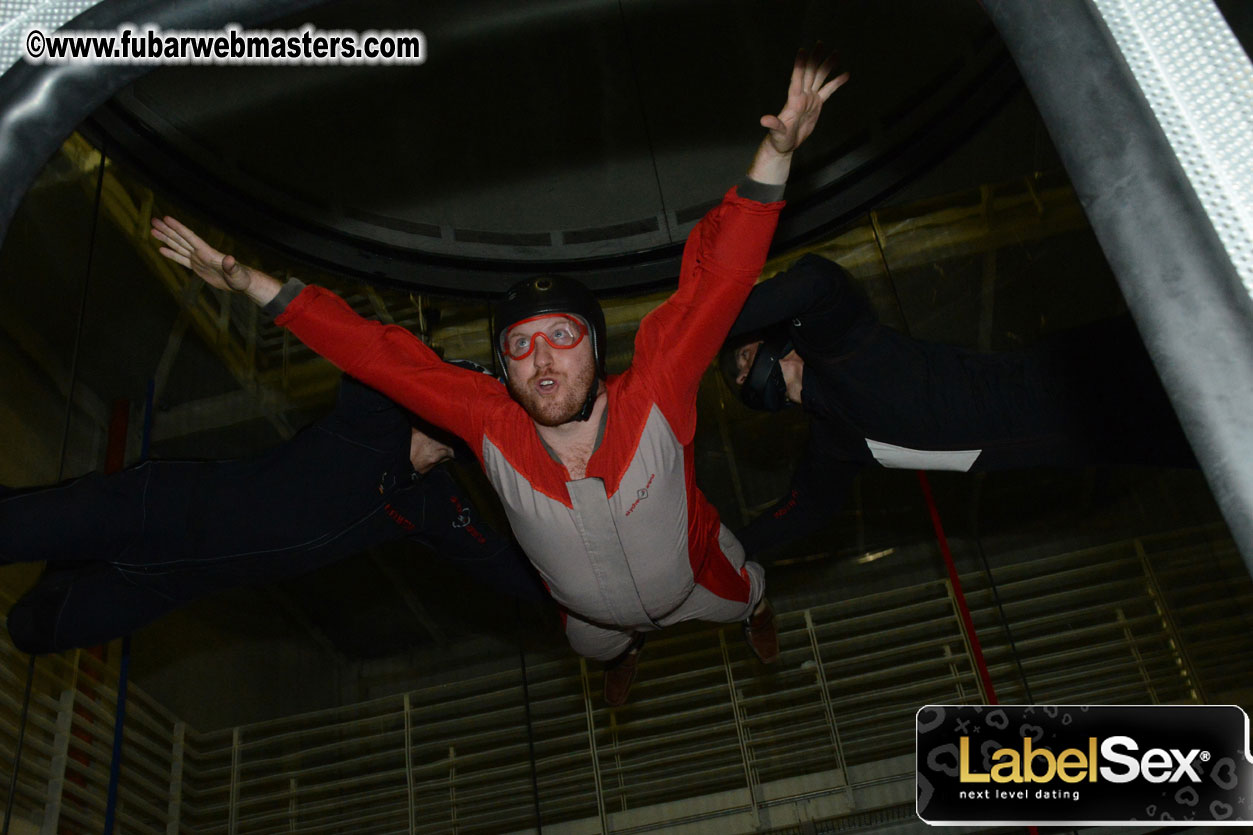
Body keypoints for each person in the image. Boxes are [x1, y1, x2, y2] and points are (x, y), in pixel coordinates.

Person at [150, 47, 850, 705]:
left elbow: (721, 280)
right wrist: (252, 284)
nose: (542, 358)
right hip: (588, 617)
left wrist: (773, 159)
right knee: (593, 647)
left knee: (746, 589)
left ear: (594, 351)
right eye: (518, 346)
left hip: (697, 581)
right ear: (505, 371)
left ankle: (756, 609)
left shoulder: (657, 391)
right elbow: (375, 353)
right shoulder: (487, 420)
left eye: (561, 335)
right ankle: (620, 657)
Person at [1, 375, 549, 654]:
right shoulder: (374, 417)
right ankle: (54, 519)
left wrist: (616, 604)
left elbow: (506, 567)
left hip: (168, 583)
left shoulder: (435, 503)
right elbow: (368, 351)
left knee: (29, 629)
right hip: (149, 511)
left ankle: (63, 546)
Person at [721, 253, 1197, 559]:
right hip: (1102, 439)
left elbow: (818, 283)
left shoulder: (840, 343)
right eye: (738, 379)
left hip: (1088, 377)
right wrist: (722, 554)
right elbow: (802, 511)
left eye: (742, 357)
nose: (743, 378)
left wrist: (704, 329)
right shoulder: (834, 442)